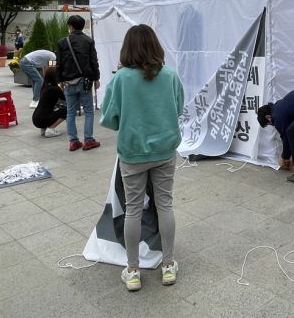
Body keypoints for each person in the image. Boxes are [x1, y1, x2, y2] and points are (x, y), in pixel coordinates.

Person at [100, 24, 184, 291]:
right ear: (155, 46)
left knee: (133, 209)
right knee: (165, 205)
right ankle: (168, 264)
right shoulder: (170, 75)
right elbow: (178, 108)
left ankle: (133, 270)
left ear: (127, 49)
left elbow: (109, 119)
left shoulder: (121, 78)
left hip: (133, 153)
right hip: (165, 150)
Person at [56, 15, 100, 152]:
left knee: (70, 113)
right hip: (84, 81)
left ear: (70, 26)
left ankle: (73, 141)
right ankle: (88, 140)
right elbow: (94, 62)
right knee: (88, 111)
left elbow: (59, 64)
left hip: (68, 82)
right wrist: (96, 78)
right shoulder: (88, 41)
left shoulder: (62, 42)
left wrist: (60, 80)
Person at [32, 67, 66, 138]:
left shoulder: (44, 87)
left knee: (50, 109)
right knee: (67, 110)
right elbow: (66, 99)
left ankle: (44, 129)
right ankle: (50, 129)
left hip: (35, 118)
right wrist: (63, 87)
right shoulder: (55, 89)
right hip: (43, 118)